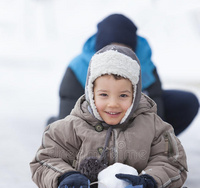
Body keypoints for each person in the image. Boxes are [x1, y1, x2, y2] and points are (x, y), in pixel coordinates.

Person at [29, 44, 188, 188]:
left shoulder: (154, 126)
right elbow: (44, 160)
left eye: (123, 96)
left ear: (135, 95)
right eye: (104, 95)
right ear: (91, 92)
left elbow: (172, 162)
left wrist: (147, 182)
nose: (113, 104)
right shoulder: (70, 127)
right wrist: (65, 176)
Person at [47, 14, 199, 136]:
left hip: (130, 117)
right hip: (94, 119)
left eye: (123, 50)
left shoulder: (145, 64)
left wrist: (154, 144)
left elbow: (156, 108)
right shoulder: (78, 68)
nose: (118, 57)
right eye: (112, 50)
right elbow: (69, 121)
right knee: (60, 130)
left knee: (186, 102)